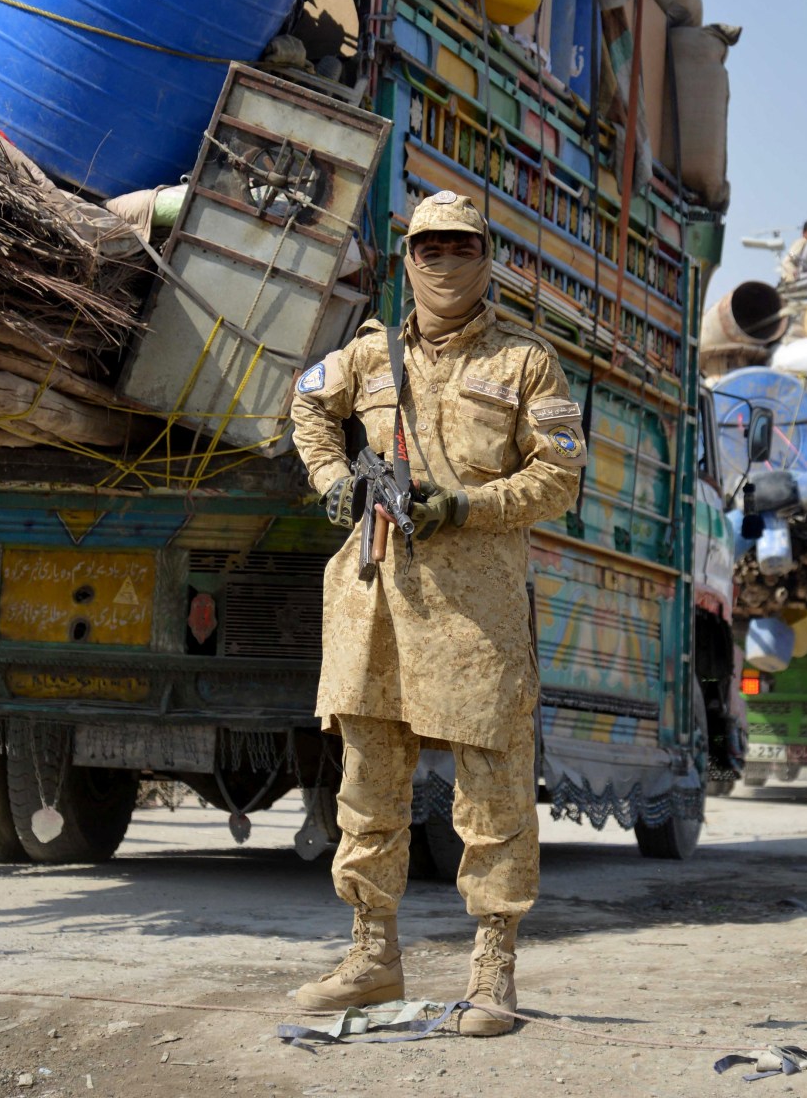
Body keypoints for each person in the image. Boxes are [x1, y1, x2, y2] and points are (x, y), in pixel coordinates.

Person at [288, 189, 586, 1036]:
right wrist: (333, 482)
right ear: (409, 259)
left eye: (462, 247)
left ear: (486, 257)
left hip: (477, 615)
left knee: (493, 795)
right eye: (431, 249)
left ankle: (493, 970)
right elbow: (307, 406)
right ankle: (371, 956)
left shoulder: (527, 364)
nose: (446, 263)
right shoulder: (368, 353)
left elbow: (559, 478)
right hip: (376, 605)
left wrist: (466, 506)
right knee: (367, 789)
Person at [779, 220, 807, 285]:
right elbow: (791, 255)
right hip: (791, 279)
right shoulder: (803, 242)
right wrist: (795, 271)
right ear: (804, 233)